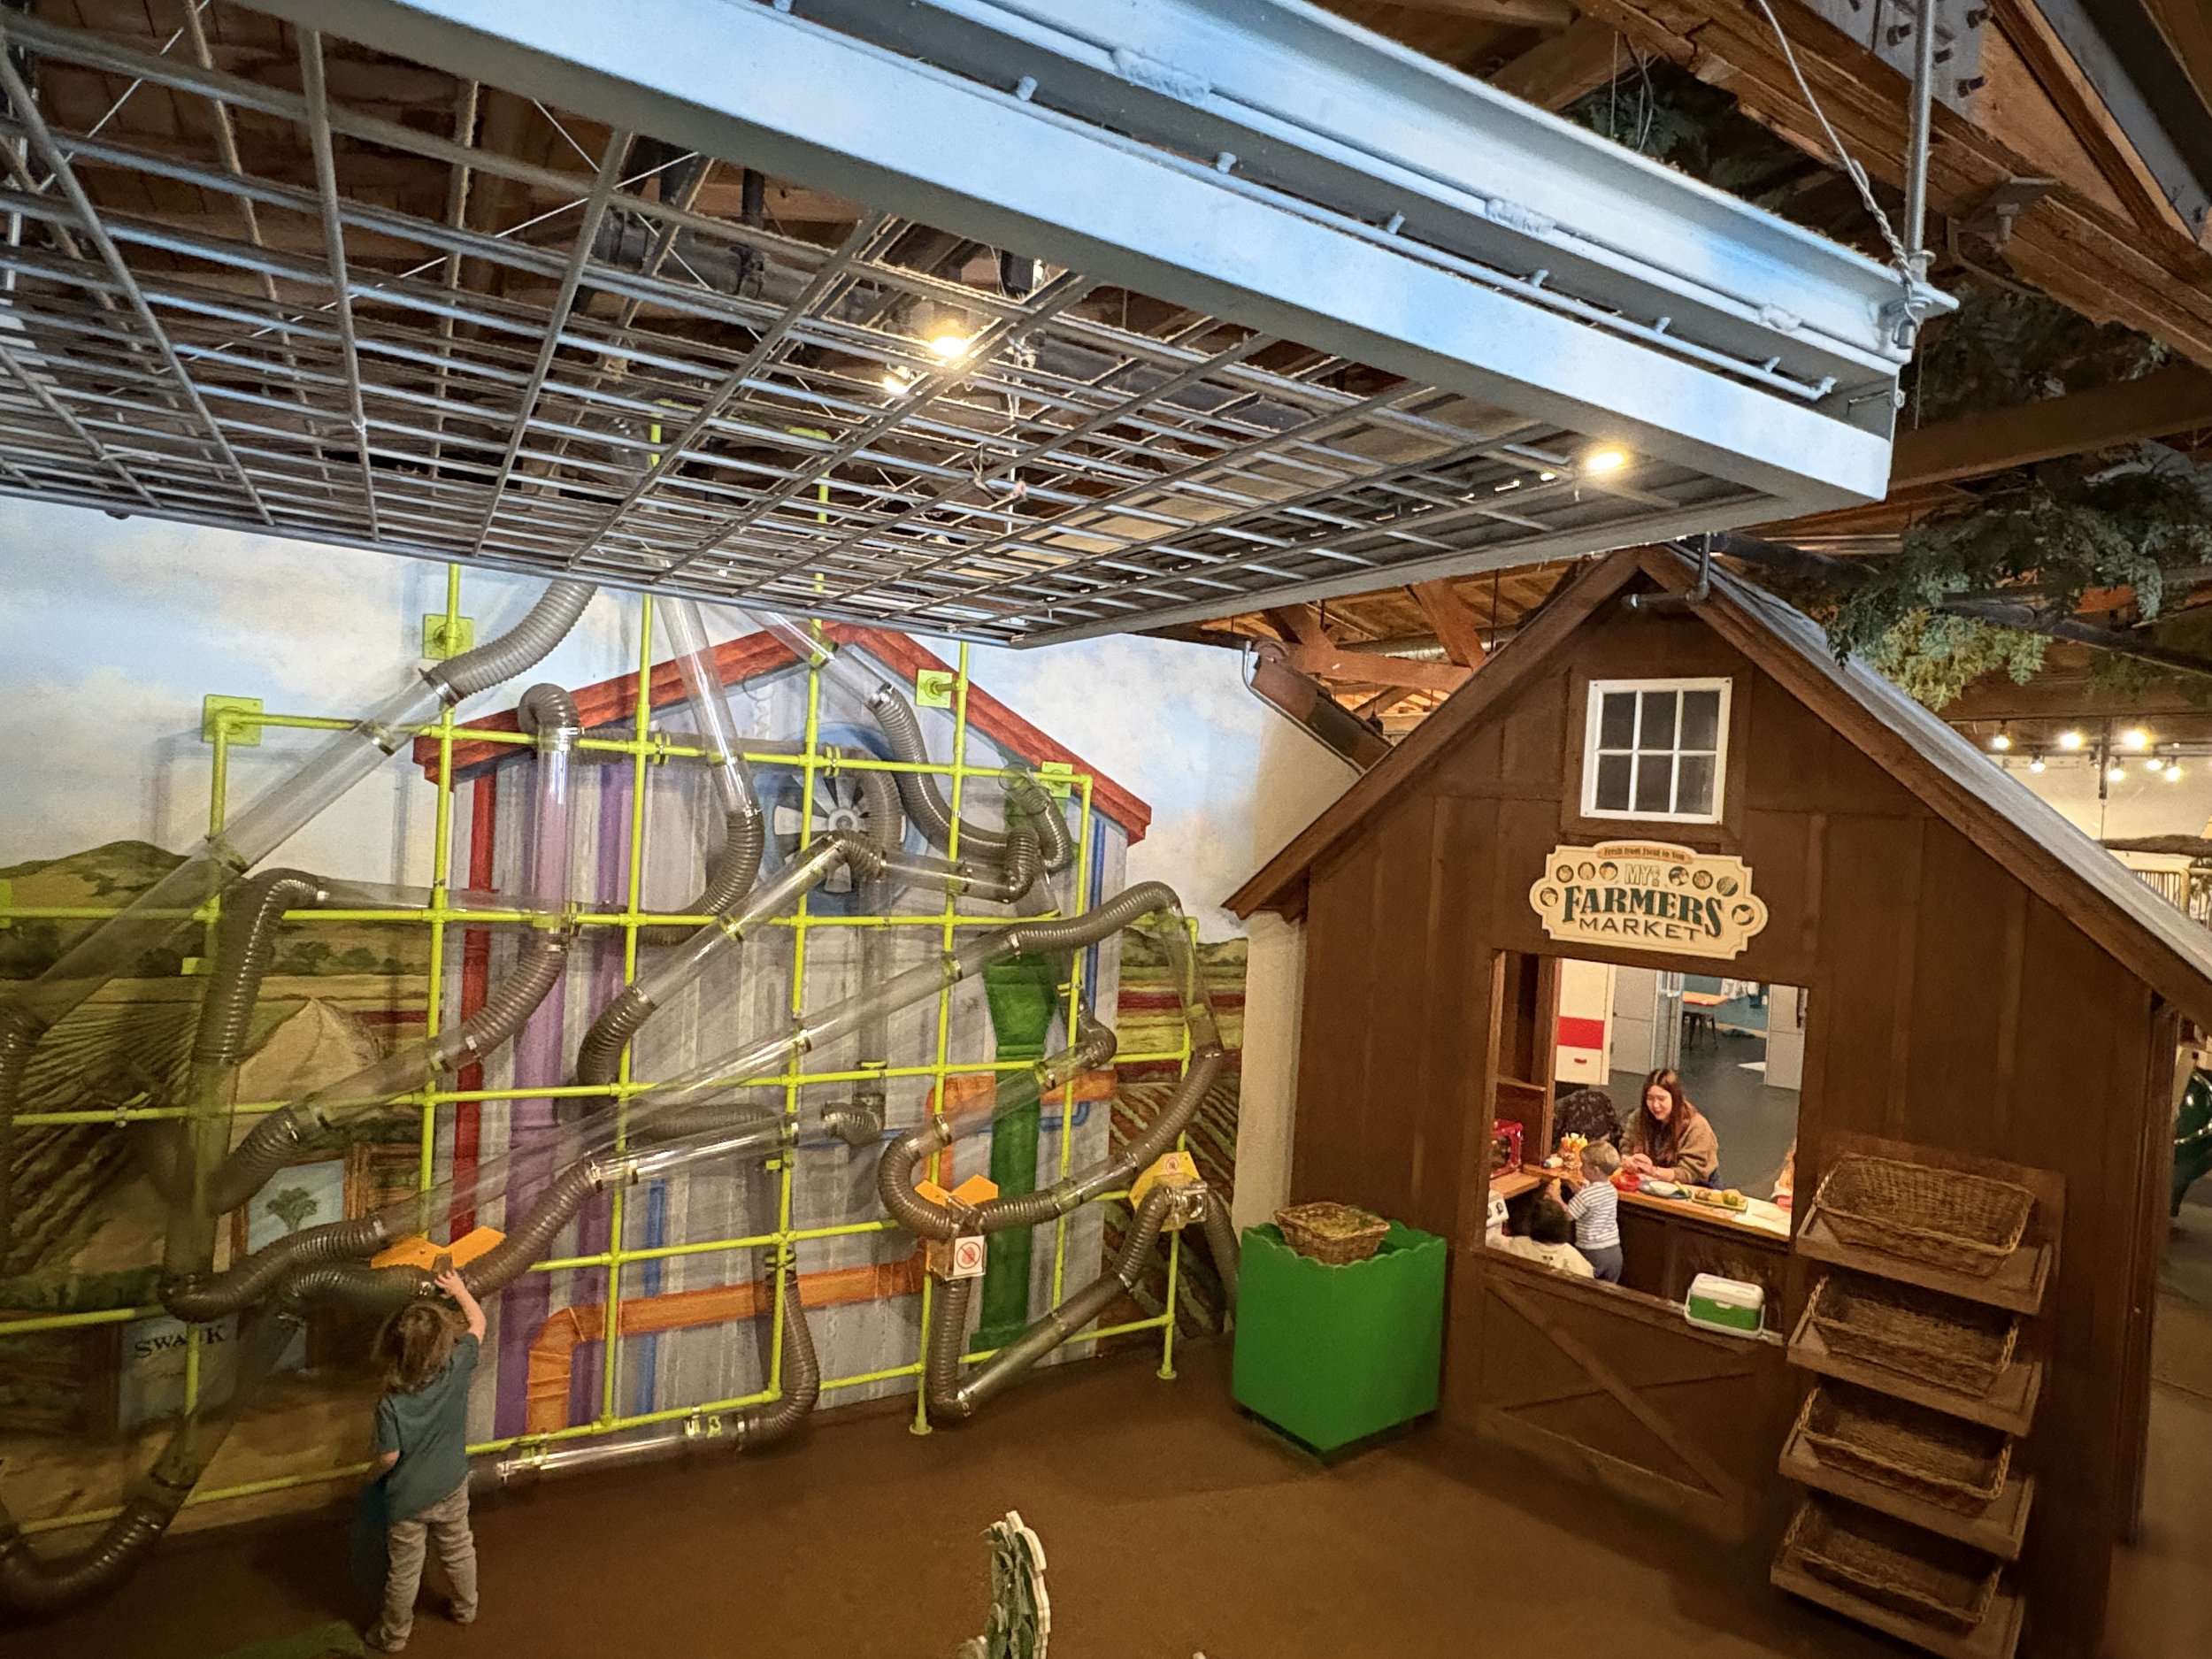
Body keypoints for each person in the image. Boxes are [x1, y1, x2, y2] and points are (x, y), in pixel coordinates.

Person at [365, 1269, 484, 1653]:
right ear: (443, 1343)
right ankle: (467, 1608)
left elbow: (389, 1456)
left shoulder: (391, 1405)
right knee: (459, 1547)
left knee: (404, 1570)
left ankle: (394, 1636)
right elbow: (479, 1322)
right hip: (451, 1484)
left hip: (407, 1499)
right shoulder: (457, 1367)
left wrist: (370, 1478)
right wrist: (458, 1290)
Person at [1623, 1068, 1720, 1187]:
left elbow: (1691, 1172)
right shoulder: (1638, 1117)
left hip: (1696, 1187)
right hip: (1650, 1183)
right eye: (1650, 1098)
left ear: (1675, 1097)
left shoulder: (1697, 1127)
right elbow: (1627, 1146)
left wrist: (1654, 1171)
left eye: (1661, 1099)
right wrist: (1631, 1161)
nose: (1655, 1105)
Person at [1490, 1192, 1594, 1278]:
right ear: (1563, 1225)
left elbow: (1490, 1241)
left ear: (1531, 1224)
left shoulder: (1515, 1245)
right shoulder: (1576, 1260)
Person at [1562, 1139, 1624, 1282]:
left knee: (1585, 1289)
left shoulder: (1586, 1195)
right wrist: (1573, 1186)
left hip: (1591, 1252)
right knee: (1607, 1292)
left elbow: (1568, 1215)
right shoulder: (1611, 1190)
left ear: (1595, 1170)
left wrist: (1556, 1197)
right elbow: (1591, 1202)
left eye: (1583, 1164)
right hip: (1614, 1252)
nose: (1580, 1168)